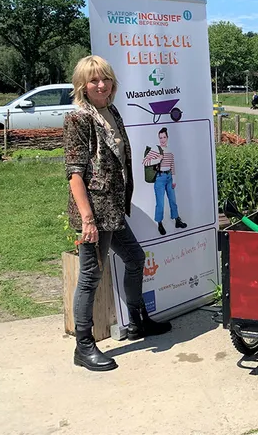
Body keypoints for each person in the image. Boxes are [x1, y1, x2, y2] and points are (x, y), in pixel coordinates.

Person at [64, 55, 172, 372]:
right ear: (83, 85)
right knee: (89, 278)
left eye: (105, 78)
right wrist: (87, 221)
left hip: (113, 212)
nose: (101, 84)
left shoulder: (111, 111)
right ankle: (83, 347)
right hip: (94, 215)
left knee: (135, 259)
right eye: (94, 80)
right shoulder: (79, 119)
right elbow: (75, 174)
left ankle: (137, 322)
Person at [142, 127, 187, 235]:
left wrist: (174, 179)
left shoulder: (170, 151)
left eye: (164, 137)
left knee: (173, 200)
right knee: (160, 203)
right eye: (160, 137)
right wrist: (158, 159)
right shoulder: (156, 149)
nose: (162, 139)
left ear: (167, 137)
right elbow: (145, 162)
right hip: (160, 178)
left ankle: (177, 220)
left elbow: (172, 165)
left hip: (169, 177)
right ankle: (160, 223)